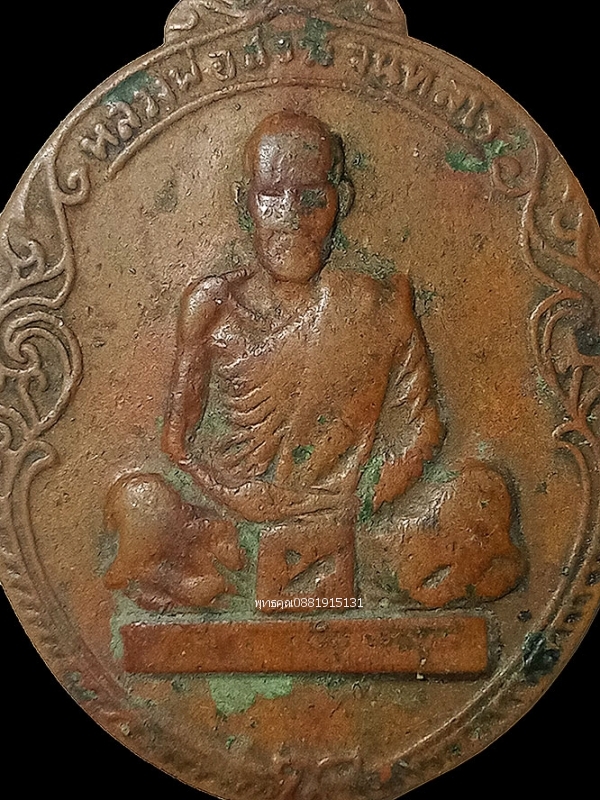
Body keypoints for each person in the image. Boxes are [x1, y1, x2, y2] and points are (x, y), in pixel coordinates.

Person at [104, 112, 520, 611]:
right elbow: (178, 443)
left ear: (342, 198)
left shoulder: (379, 305)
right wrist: (239, 495)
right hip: (233, 522)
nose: (291, 217)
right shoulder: (212, 306)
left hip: (357, 520)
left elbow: (422, 429)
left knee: (477, 495)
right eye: (270, 196)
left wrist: (361, 498)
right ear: (244, 203)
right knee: (141, 502)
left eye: (311, 198)